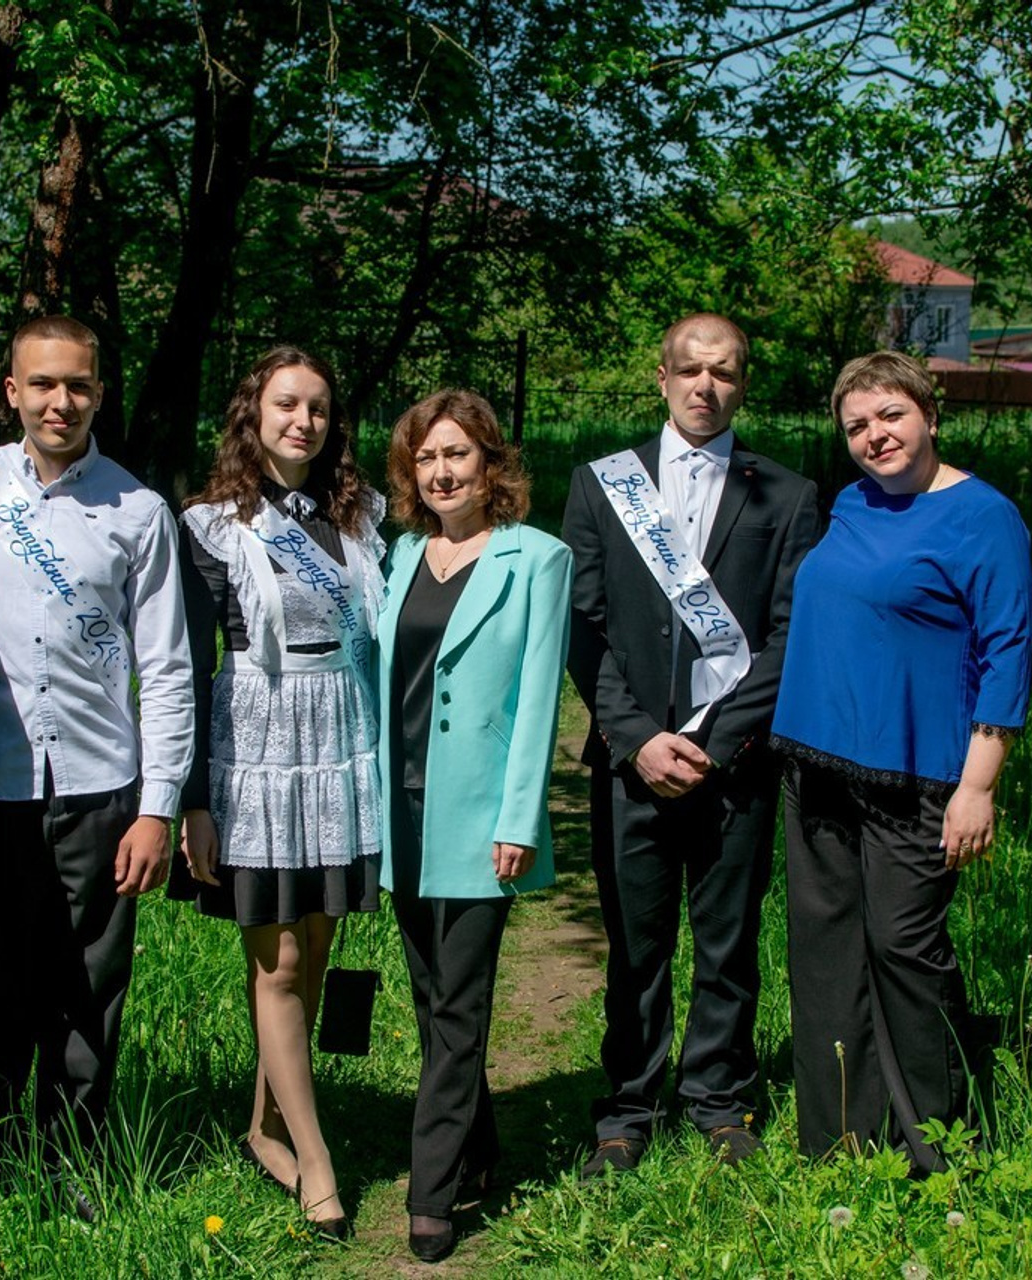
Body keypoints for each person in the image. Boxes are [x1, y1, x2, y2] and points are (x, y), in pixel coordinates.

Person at [0, 317, 194, 1208]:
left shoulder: (137, 510)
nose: (59, 402)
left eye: (77, 385)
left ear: (98, 394)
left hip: (98, 789)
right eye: (41, 384)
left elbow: (166, 668)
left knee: (87, 989)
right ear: (12, 392)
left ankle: (74, 1167)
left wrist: (157, 807)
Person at [563, 313, 819, 1175]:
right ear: (662, 378)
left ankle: (718, 1097)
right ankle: (627, 1108)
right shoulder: (604, 486)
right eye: (690, 370)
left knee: (727, 941)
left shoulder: (785, 495)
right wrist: (636, 739)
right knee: (634, 945)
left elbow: (789, 636)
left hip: (734, 764)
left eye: (725, 372)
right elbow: (585, 627)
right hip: (632, 765)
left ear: (743, 384)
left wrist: (719, 740)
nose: (706, 385)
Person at [771, 351, 1032, 1174]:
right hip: (818, 765)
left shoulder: (983, 516)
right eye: (856, 425)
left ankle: (941, 1145)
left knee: (903, 950)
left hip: (919, 779)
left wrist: (977, 787)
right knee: (826, 951)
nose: (874, 436)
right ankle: (844, 1141)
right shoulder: (852, 503)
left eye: (889, 415)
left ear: (928, 412)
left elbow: (1008, 651)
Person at [169, 347, 384, 1242]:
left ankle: (265, 1126)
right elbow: (181, 661)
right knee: (281, 964)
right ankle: (318, 1164)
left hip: (340, 741)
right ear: (252, 415)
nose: (304, 421)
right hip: (254, 748)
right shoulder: (212, 523)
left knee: (319, 949)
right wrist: (191, 800)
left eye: (320, 409)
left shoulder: (364, 517)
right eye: (287, 405)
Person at [378, 389, 571, 1262]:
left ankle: (432, 1193)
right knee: (429, 1001)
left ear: (492, 464)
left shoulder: (539, 559)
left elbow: (539, 699)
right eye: (427, 457)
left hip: (480, 813)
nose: (443, 471)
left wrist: (520, 814)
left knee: (459, 1002)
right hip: (402, 811)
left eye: (459, 453)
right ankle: (480, 1149)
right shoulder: (403, 554)